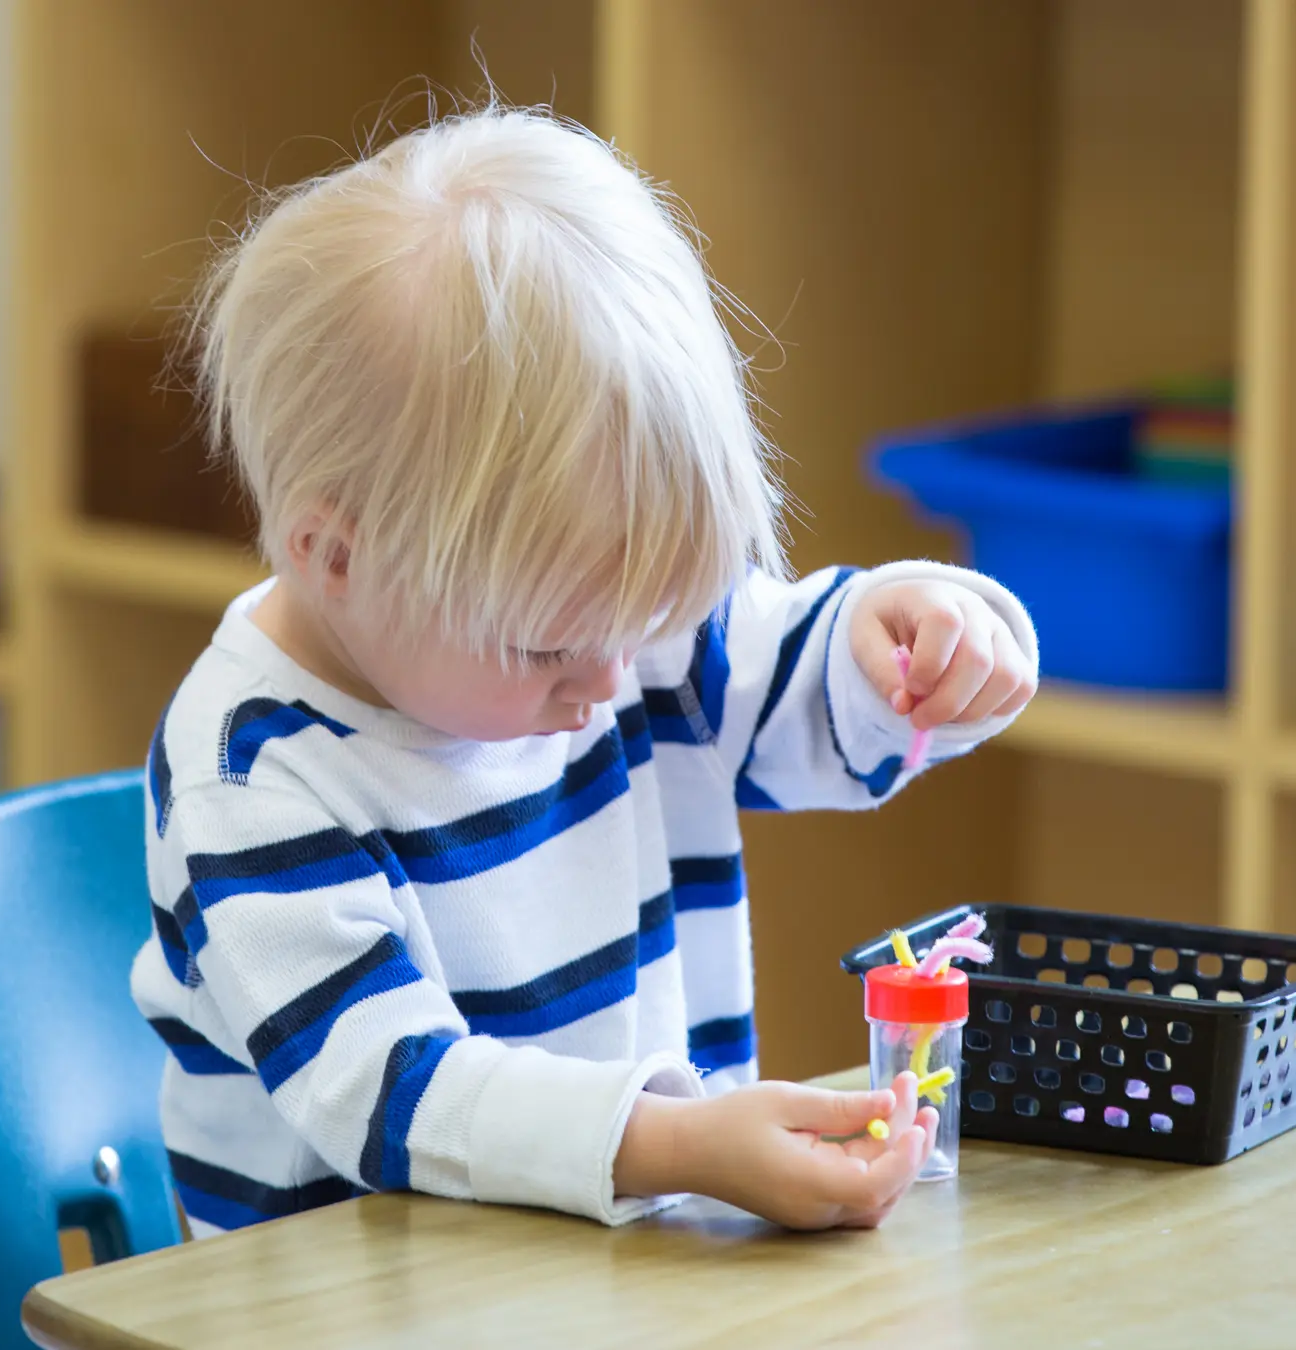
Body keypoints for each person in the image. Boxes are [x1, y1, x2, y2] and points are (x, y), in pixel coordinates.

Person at [132, 105, 1036, 1237]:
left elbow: (809, 684)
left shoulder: (617, 624)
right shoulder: (252, 772)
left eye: (648, 616)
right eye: (548, 646)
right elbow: (397, 1096)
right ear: (335, 558)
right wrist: (682, 1146)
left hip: (613, 1274)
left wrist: (921, 639)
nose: (610, 682)